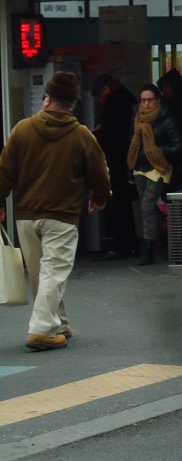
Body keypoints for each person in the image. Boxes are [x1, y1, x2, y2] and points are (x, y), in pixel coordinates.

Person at [0, 71, 110, 351]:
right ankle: (41, 330)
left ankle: (57, 322)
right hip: (61, 216)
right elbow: (99, 172)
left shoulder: (22, 130)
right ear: (72, 104)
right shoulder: (81, 135)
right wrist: (99, 197)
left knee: (41, 273)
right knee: (53, 271)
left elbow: (4, 172)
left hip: (26, 216)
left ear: (47, 99)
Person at [126, 84, 182, 266]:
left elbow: (179, 146)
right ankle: (166, 241)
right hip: (139, 167)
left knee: (146, 206)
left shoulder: (166, 120)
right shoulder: (137, 119)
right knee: (148, 208)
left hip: (158, 168)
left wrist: (157, 151)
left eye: (150, 100)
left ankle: (148, 249)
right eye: (143, 100)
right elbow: (132, 144)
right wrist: (130, 168)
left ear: (157, 100)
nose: (146, 104)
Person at [90, 73, 138, 258]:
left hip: (117, 161)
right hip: (122, 160)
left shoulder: (117, 104)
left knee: (116, 204)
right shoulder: (125, 99)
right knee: (123, 205)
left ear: (106, 90)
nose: (100, 100)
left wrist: (94, 135)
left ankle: (118, 245)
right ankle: (128, 243)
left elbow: (109, 131)